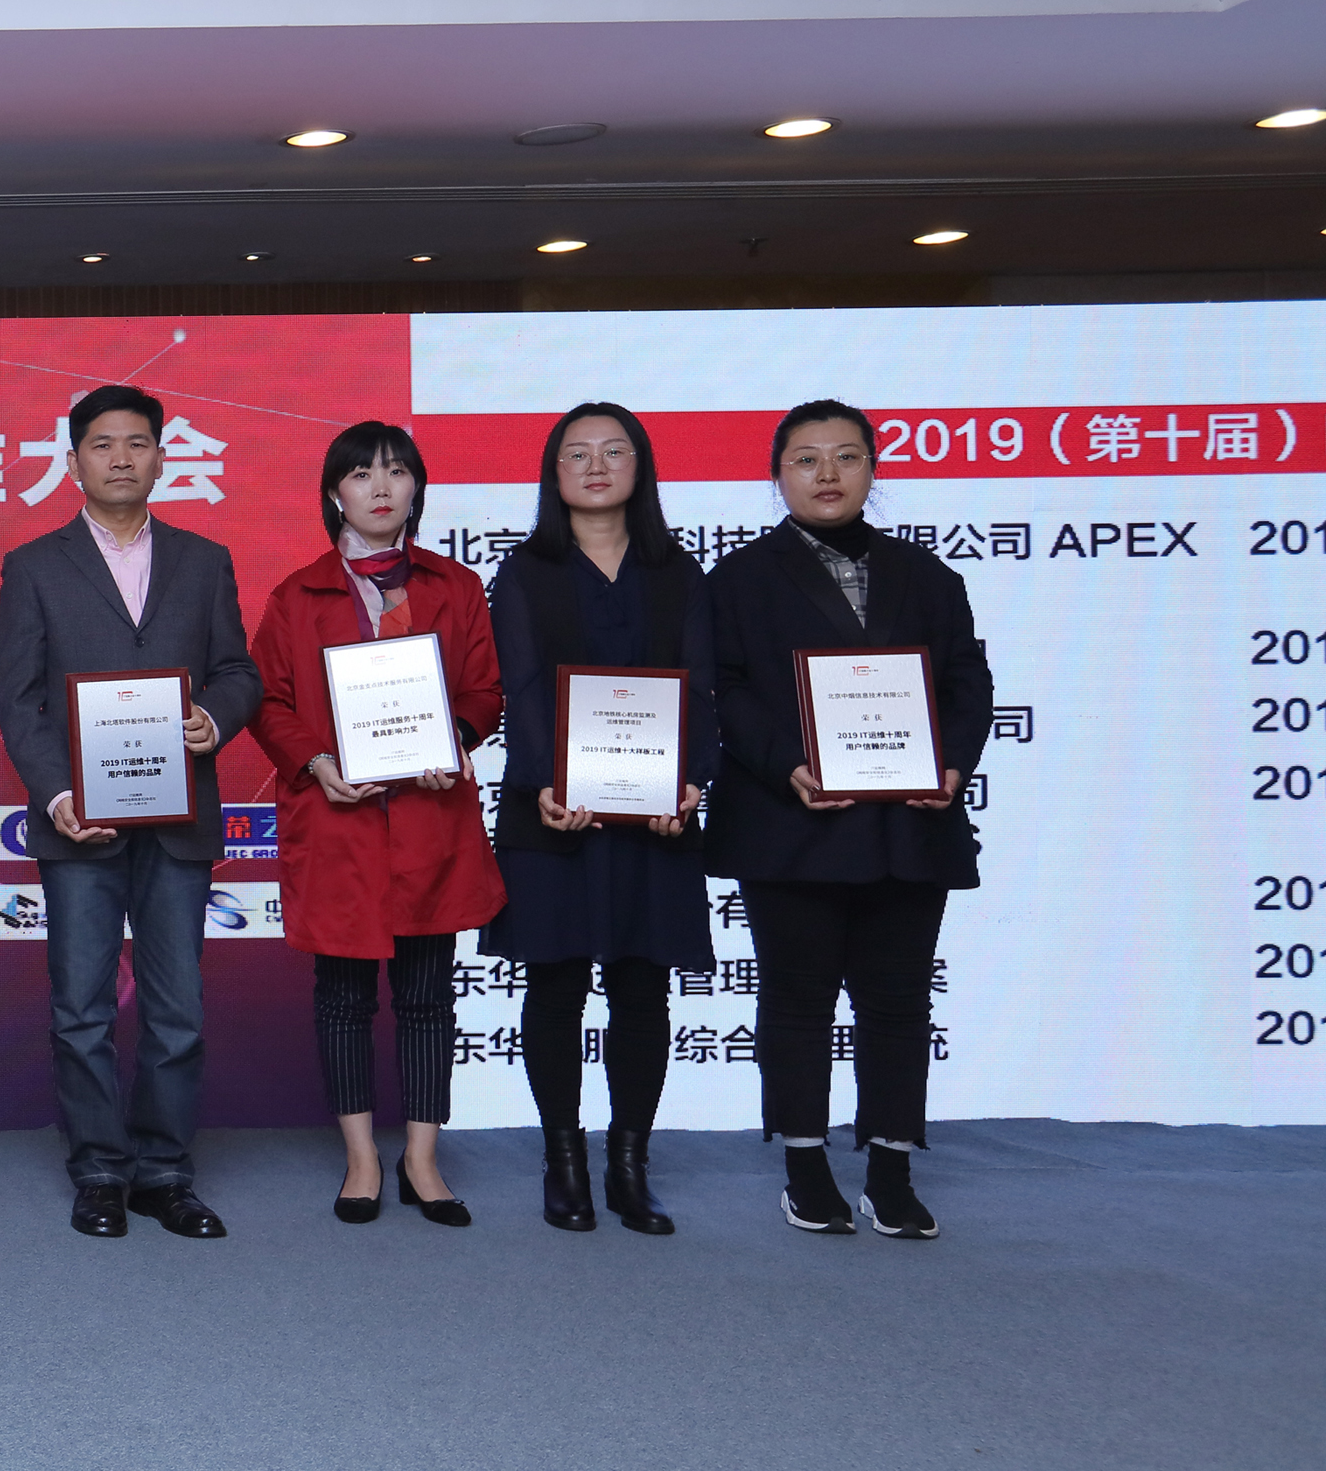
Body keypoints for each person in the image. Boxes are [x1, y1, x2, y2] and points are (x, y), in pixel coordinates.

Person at [708, 398, 991, 1239]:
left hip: (909, 824)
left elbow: (967, 682)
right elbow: (725, 689)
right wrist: (786, 763)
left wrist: (952, 763)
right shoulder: (738, 579)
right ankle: (805, 1167)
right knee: (797, 999)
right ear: (777, 476)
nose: (827, 473)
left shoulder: (929, 575)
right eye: (806, 459)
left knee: (897, 1002)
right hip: (791, 823)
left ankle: (891, 1171)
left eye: (846, 456)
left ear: (873, 468)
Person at [0, 384, 263, 1241]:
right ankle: (100, 1170)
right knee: (81, 1008)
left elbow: (239, 671)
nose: (121, 457)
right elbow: (18, 699)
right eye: (102, 444)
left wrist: (213, 716)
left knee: (177, 1009)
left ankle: (165, 1172)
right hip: (80, 821)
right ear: (72, 461)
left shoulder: (204, 559)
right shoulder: (34, 564)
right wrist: (58, 795)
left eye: (137, 443)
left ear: (161, 456)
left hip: (178, 819)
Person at [252, 421, 506, 1228]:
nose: (382, 486)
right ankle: (361, 1156)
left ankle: (421, 1158)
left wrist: (454, 736)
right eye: (361, 473)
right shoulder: (297, 595)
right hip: (341, 822)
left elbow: (484, 690)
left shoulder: (456, 586)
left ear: (417, 487)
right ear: (335, 492)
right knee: (343, 997)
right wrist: (316, 760)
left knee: (429, 995)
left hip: (432, 818)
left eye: (397, 471)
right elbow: (268, 700)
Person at [482, 404, 717, 1234]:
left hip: (655, 818)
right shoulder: (524, 571)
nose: (595, 466)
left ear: (640, 468)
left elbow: (701, 684)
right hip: (553, 813)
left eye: (614, 451)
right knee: (555, 986)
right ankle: (565, 1164)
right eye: (576, 453)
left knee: (642, 989)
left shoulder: (678, 571)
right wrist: (546, 782)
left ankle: (629, 1166)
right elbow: (520, 687)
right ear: (553, 473)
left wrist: (691, 781)